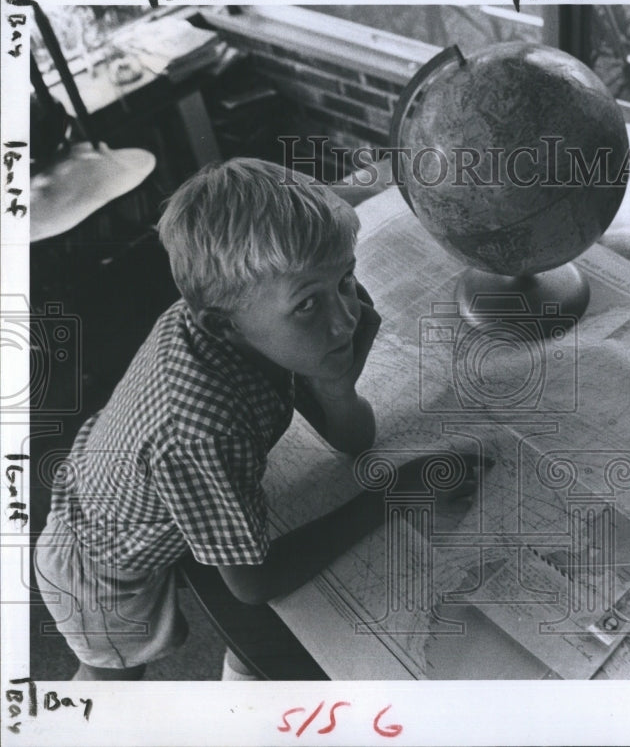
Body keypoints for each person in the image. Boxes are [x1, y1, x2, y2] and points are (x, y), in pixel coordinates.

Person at [33, 158, 483, 681]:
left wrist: (335, 386)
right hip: (99, 569)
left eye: (345, 279)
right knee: (114, 689)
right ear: (221, 325)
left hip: (127, 487)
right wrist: (395, 493)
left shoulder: (243, 324)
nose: (346, 317)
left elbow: (352, 438)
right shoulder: (203, 429)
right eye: (309, 303)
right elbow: (253, 583)